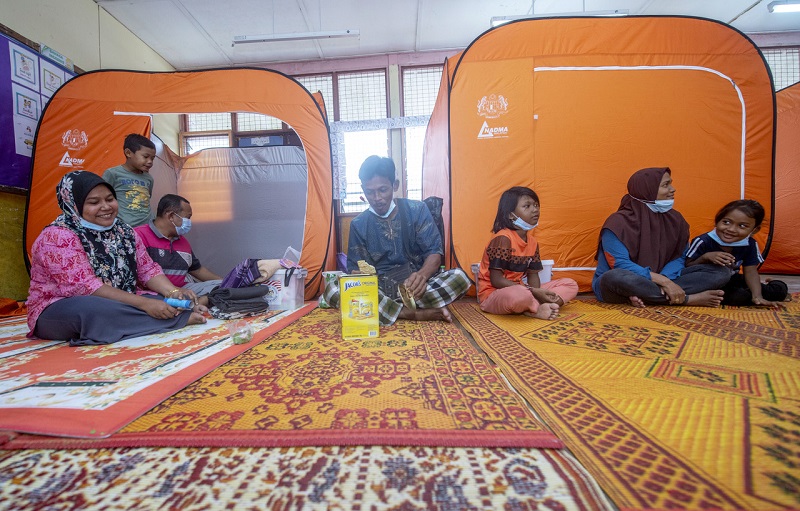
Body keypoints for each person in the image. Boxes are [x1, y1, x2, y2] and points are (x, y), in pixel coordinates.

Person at [26, 171, 207, 346]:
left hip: (120, 300)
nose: (106, 207)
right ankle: (173, 319)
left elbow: (147, 269)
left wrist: (173, 292)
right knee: (94, 311)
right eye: (94, 202)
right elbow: (84, 287)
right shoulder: (57, 236)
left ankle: (172, 313)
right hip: (61, 308)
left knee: (162, 300)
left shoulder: (124, 231)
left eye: (110, 199)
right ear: (74, 204)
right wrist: (145, 304)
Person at [323, 155, 470, 325]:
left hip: (416, 289)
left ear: (395, 185)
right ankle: (412, 313)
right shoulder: (358, 224)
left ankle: (388, 311)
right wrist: (358, 276)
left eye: (383, 190)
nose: (377, 197)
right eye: (370, 192)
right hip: (379, 290)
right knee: (332, 290)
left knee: (459, 277)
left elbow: (434, 254)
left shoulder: (417, 210)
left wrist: (421, 276)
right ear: (363, 189)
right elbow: (355, 270)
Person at [593, 167, 730, 307]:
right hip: (627, 280)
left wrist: (665, 278)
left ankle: (649, 296)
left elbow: (679, 257)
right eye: (666, 185)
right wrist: (663, 282)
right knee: (614, 276)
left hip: (663, 278)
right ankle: (687, 299)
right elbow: (619, 263)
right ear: (647, 190)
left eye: (671, 183)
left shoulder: (677, 220)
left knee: (721, 272)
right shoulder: (617, 222)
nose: (673, 189)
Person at [477, 186, 579, 320]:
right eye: (527, 206)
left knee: (570, 284)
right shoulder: (503, 239)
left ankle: (533, 305)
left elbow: (533, 275)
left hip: (524, 290)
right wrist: (532, 291)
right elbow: (496, 280)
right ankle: (535, 309)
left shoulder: (533, 242)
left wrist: (536, 292)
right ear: (510, 215)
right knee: (520, 295)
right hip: (494, 294)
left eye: (536, 205)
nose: (535, 209)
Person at [685, 199, 788, 307]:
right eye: (726, 222)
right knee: (739, 296)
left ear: (755, 230)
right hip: (707, 282)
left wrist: (757, 297)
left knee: (778, 292)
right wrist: (705, 257)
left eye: (742, 226)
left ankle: (772, 283)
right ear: (717, 221)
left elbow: (751, 272)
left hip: (733, 279)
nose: (731, 229)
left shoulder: (750, 244)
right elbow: (687, 267)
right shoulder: (703, 241)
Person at [135, 194, 222, 304]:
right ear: (171, 216)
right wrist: (175, 291)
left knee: (223, 288)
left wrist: (226, 282)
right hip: (153, 293)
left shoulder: (183, 241)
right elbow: (141, 276)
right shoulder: (139, 235)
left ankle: (196, 303)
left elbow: (197, 270)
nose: (189, 222)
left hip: (186, 290)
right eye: (187, 218)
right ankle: (196, 304)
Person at [102, 133, 156, 227]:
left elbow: (147, 199)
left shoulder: (149, 178)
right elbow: (103, 199)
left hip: (146, 227)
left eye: (152, 158)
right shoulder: (113, 174)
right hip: (123, 227)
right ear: (128, 153)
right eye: (145, 157)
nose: (150, 162)